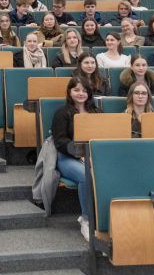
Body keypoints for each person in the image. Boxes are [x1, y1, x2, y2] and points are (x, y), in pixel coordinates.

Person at [52, 77, 100, 241]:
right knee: (86, 175)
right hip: (67, 158)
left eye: (84, 90)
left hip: (95, 157)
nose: (81, 93)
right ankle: (86, 220)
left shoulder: (97, 112)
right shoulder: (62, 113)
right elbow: (60, 142)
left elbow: (105, 136)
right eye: (77, 90)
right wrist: (79, 154)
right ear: (69, 92)